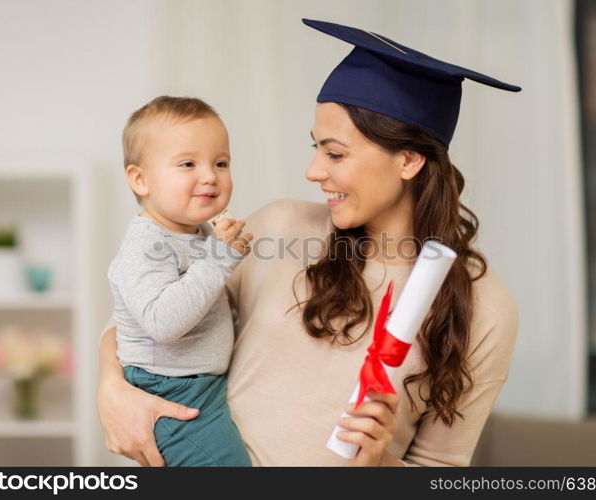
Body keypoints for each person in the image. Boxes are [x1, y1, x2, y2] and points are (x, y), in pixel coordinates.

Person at [96, 19, 521, 466]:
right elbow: (142, 317)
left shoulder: (484, 306)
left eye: (335, 153)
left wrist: (380, 464)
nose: (313, 171)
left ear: (409, 160)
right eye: (316, 147)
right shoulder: (279, 230)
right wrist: (111, 388)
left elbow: (441, 468)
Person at [107, 96, 253, 466]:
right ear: (141, 179)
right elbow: (163, 322)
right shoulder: (146, 245)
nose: (210, 176)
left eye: (221, 163)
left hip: (199, 383)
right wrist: (219, 260)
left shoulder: (199, 233)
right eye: (188, 164)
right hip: (170, 389)